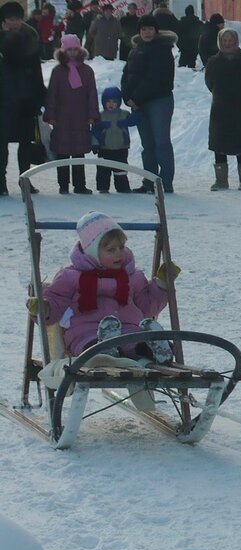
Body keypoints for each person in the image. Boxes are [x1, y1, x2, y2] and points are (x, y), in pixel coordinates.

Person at [34, 211, 178, 363]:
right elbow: (56, 301)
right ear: (92, 252)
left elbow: (147, 306)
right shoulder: (71, 277)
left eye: (121, 247)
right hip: (86, 331)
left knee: (136, 343)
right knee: (90, 346)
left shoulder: (131, 276)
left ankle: (155, 348)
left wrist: (161, 285)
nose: (119, 254)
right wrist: (44, 308)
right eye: (111, 250)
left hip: (128, 329)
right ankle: (104, 348)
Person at [121, 14, 177, 193]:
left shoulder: (162, 49)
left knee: (161, 142)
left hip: (159, 100)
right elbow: (127, 74)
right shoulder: (135, 49)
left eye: (150, 29)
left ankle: (165, 183)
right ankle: (149, 181)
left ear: (156, 30)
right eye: (143, 29)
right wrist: (127, 96)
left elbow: (156, 78)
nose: (146, 32)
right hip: (139, 103)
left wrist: (136, 98)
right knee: (148, 145)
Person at [205, 28, 241, 191]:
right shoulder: (213, 62)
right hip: (221, 108)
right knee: (219, 143)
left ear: (236, 42)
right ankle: (221, 180)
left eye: (231, 41)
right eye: (224, 41)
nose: (228, 44)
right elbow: (210, 82)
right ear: (220, 43)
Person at [44, 33, 99, 194]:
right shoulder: (58, 71)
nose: (73, 53)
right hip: (62, 117)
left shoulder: (87, 71)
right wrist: (51, 115)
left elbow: (92, 94)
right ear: (63, 51)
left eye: (75, 49)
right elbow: (52, 94)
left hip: (80, 117)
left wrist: (92, 114)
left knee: (78, 152)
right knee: (62, 152)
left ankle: (79, 184)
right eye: (69, 50)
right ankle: (63, 184)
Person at [0, 1, 45, 196]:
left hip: (25, 99)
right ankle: (1, 182)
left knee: (26, 144)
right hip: (3, 101)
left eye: (17, 18)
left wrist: (40, 96)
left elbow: (36, 69)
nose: (14, 23)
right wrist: (7, 37)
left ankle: (24, 180)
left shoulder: (30, 37)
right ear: (3, 21)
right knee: (1, 145)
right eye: (10, 19)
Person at [90, 86, 137, 192]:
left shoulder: (124, 114)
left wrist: (136, 111)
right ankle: (103, 187)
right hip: (104, 148)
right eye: (108, 102)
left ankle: (122, 187)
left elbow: (132, 121)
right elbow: (95, 131)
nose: (111, 104)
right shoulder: (100, 116)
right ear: (103, 102)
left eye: (114, 102)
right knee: (103, 170)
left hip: (121, 148)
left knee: (120, 170)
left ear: (119, 102)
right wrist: (94, 143)